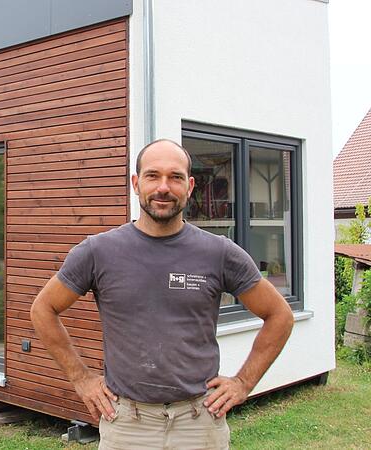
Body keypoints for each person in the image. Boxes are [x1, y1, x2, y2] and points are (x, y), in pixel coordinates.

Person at [30, 139, 294, 449]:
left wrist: (243, 383)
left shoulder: (219, 253)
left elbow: (280, 316)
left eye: (175, 177)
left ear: (190, 185)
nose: (163, 187)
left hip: (200, 422)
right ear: (136, 183)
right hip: (127, 423)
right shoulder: (97, 252)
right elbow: (43, 309)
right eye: (153, 175)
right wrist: (82, 379)